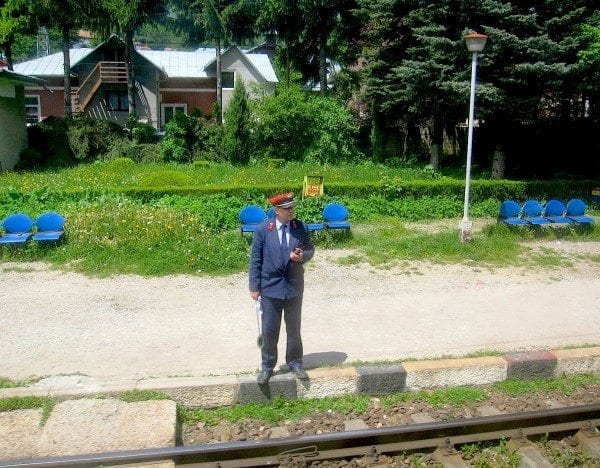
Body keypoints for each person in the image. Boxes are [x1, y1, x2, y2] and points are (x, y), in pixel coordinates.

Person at [249, 192, 315, 384]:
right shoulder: (263, 229)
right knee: (270, 329)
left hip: (294, 286)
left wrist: (302, 255)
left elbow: (310, 249)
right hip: (270, 287)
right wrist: (254, 287)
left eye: (292, 208)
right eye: (286, 209)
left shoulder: (299, 227)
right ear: (277, 210)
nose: (291, 211)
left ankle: (295, 362)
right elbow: (256, 259)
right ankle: (267, 366)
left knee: (294, 328)